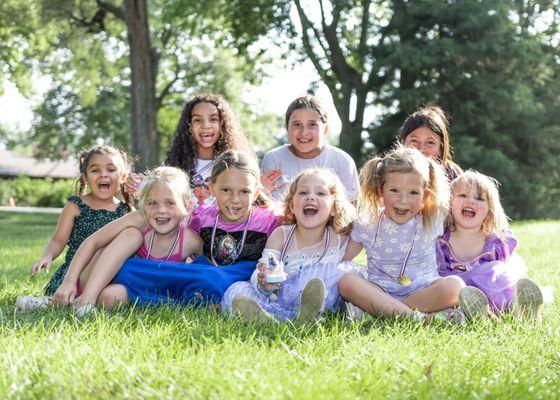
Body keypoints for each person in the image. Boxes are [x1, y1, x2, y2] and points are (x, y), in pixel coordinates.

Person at [110, 150, 280, 308]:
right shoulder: (201, 217)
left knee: (213, 278)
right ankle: (195, 299)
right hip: (204, 276)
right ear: (212, 188)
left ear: (257, 192)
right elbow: (189, 256)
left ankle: (169, 299)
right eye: (226, 190)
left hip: (243, 281)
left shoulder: (269, 221)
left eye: (244, 191)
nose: (235, 199)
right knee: (131, 267)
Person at [50, 167, 203, 316]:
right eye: (152, 203)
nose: (161, 210)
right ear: (143, 205)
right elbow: (92, 242)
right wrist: (69, 282)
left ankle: (61, 303)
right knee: (132, 235)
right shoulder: (139, 219)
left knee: (111, 297)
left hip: (134, 290)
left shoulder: (191, 241)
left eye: (170, 203)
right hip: (93, 280)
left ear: (187, 204)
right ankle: (86, 299)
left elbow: (209, 273)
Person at [338, 145, 466, 324]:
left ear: (425, 194)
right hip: (379, 292)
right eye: (394, 191)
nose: (403, 200)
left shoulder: (432, 218)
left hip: (422, 292)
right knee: (346, 282)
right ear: (380, 190)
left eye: (413, 193)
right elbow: (343, 256)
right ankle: (419, 318)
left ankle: (383, 315)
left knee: (455, 286)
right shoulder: (368, 221)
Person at [222, 168, 359, 322]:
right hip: (279, 298)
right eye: (303, 193)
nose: (311, 197)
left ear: (334, 207)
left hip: (319, 300)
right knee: (236, 290)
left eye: (320, 193)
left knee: (335, 276)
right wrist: (265, 282)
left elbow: (369, 229)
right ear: (292, 206)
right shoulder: (282, 235)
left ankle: (305, 314)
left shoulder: (339, 237)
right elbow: (267, 264)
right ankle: (271, 320)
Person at [15, 144, 133, 311]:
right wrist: (47, 256)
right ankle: (52, 302)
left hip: (110, 274)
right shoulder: (75, 206)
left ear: (123, 177)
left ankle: (68, 304)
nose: (103, 174)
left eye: (111, 169)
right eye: (95, 170)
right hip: (77, 273)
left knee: (114, 297)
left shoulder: (126, 211)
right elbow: (58, 240)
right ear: (84, 177)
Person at [436, 170, 544, 322]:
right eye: (462, 195)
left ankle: (520, 308)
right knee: (453, 299)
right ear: (449, 202)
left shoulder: (495, 241)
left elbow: (507, 267)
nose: (471, 201)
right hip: (461, 294)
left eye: (479, 198)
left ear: (489, 210)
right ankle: (480, 315)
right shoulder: (441, 240)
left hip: (493, 291)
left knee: (497, 275)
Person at [125, 93, 250, 206]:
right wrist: (140, 187)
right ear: (189, 126)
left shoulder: (236, 164)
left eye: (213, 119)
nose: (206, 125)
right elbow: (157, 199)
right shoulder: (173, 164)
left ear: (222, 125)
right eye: (198, 120)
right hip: (182, 228)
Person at [261, 95, 359, 202]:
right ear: (286, 128)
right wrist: (259, 192)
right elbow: (265, 205)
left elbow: (352, 208)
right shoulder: (274, 158)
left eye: (312, 124)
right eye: (297, 124)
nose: (304, 132)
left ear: (325, 129)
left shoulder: (342, 161)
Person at [399, 105, 462, 181]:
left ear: (440, 148)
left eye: (430, 142)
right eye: (414, 141)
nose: (421, 149)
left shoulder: (452, 174)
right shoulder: (389, 172)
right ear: (403, 143)